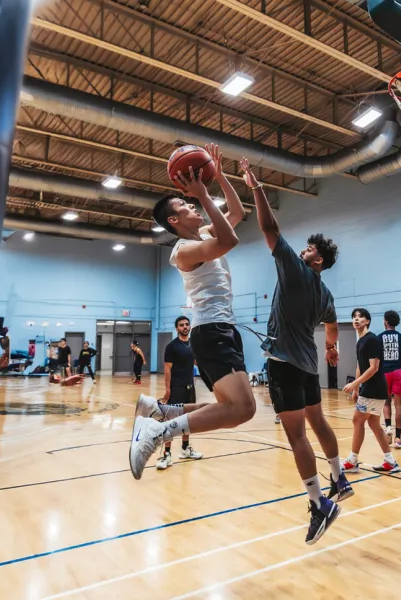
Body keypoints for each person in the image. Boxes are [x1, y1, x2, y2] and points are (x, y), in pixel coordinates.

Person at [129, 144, 257, 489]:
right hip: (211, 330)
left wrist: (219, 171)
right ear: (174, 221)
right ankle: (159, 431)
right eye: (185, 205)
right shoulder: (184, 251)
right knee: (243, 409)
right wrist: (202, 193)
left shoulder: (200, 234)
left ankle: (165, 411)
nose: (192, 206)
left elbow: (237, 213)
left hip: (223, 328)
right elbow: (229, 239)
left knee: (228, 406)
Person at [241, 157, 353, 545]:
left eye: (307, 248)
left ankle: (320, 503)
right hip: (307, 365)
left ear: (315, 260)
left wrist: (255, 185)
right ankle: (339, 477)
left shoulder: (296, 269)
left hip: (286, 364)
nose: (302, 250)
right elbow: (334, 323)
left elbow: (270, 228)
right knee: (319, 424)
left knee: (297, 437)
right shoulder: (326, 293)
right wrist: (332, 348)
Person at [342, 308, 400, 474]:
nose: (356, 319)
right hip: (368, 388)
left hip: (374, 388)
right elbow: (361, 365)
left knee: (357, 420)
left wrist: (354, 384)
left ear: (367, 321)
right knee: (374, 424)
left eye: (360, 317)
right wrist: (357, 389)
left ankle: (352, 460)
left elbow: (374, 368)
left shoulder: (372, 340)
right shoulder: (360, 341)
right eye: (354, 317)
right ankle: (390, 461)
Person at [157, 315, 203, 469]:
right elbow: (167, 369)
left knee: (187, 420)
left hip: (190, 387)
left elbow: (196, 362)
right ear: (177, 328)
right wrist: (168, 389)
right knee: (171, 421)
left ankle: (185, 449)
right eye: (182, 325)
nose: (185, 327)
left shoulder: (193, 345)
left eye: (187, 324)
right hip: (176, 388)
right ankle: (167, 455)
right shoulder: (172, 347)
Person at [378, 310, 401, 449]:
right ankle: (398, 438)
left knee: (386, 403)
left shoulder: (379, 337)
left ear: (386, 321)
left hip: (384, 372)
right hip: (399, 371)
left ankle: (388, 428)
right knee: (399, 405)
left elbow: (376, 359)